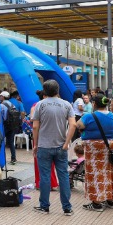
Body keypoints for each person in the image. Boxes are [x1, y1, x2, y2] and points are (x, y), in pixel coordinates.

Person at [31, 79, 75, 216]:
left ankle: (44, 206)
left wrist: (36, 144)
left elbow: (35, 126)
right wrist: (67, 142)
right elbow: (73, 125)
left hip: (44, 146)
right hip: (61, 146)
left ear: (45, 91)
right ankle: (67, 207)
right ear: (58, 90)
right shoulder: (67, 105)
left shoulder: (40, 105)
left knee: (45, 176)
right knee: (63, 176)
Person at [75, 93, 113, 212]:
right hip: (110, 145)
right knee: (108, 172)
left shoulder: (89, 116)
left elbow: (78, 125)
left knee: (95, 172)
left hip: (95, 146)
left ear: (94, 104)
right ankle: (110, 199)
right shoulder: (111, 115)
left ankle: (97, 202)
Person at [31, 90, 59, 190]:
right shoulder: (52, 106)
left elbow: (33, 122)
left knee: (40, 161)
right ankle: (50, 183)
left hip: (39, 136)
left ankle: (41, 183)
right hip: (49, 135)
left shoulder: (36, 106)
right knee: (49, 161)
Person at [0, 90, 20, 165]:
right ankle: (13, 158)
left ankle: (0, 158)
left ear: (3, 97)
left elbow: (2, 117)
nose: (0, 97)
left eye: (1, 96)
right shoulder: (11, 104)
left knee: (1, 141)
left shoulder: (2, 105)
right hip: (12, 126)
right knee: (11, 142)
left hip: (5, 125)